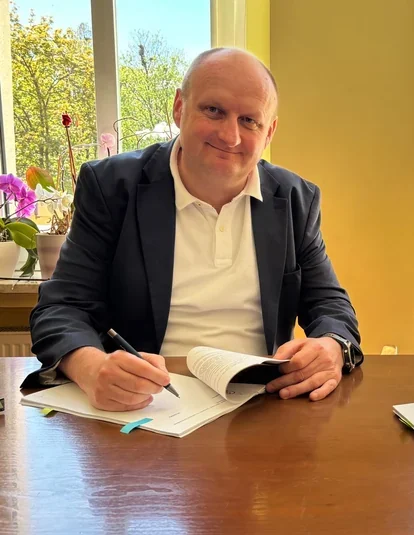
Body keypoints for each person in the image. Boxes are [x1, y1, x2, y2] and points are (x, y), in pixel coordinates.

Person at [26, 48, 362, 410]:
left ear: (270, 132)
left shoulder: (296, 198)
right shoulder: (111, 187)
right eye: (214, 110)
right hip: (147, 405)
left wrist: (332, 345)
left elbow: (329, 304)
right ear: (179, 108)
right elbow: (62, 306)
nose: (230, 136)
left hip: (262, 403)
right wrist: (91, 368)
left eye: (249, 120)